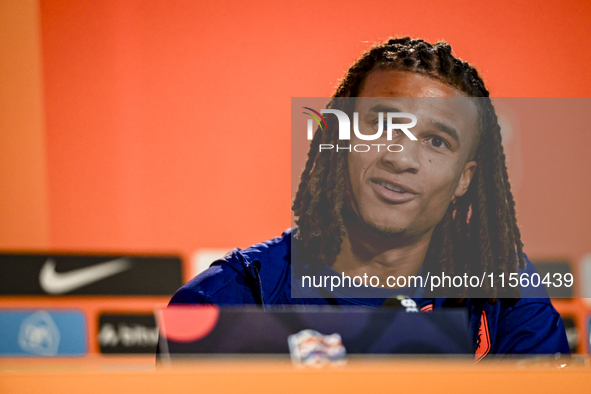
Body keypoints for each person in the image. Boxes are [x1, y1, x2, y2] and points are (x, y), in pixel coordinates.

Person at [169, 37, 569, 359]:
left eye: (436, 141)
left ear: (464, 179)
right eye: (381, 124)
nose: (401, 158)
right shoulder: (229, 301)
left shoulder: (502, 295)